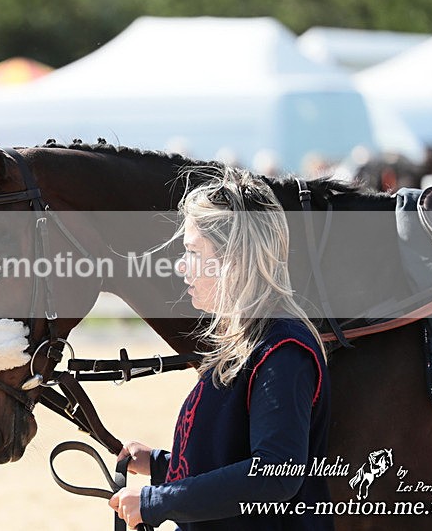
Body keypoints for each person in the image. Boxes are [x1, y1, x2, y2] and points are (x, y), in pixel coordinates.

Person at [109, 166, 333, 530]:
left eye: (193, 251)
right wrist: (162, 464)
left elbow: (275, 473)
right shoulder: (248, 339)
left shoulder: (283, 351)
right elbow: (228, 454)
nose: (181, 266)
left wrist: (158, 501)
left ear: (235, 260)